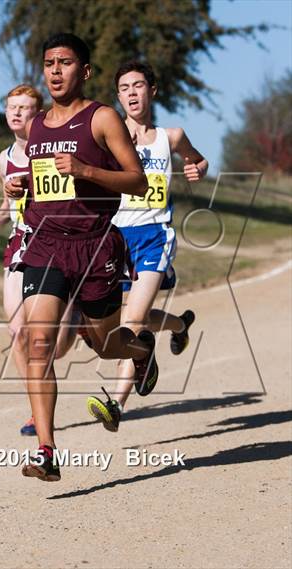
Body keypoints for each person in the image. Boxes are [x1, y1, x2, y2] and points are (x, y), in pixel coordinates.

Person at [4, 34, 159, 482]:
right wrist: (18, 188)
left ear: (84, 71)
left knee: (105, 344)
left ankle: (142, 349)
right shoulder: (36, 127)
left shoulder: (102, 118)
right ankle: (47, 451)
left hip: (95, 246)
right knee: (38, 344)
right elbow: (47, 185)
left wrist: (88, 170)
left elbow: (137, 181)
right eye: (49, 63)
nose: (55, 71)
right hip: (48, 245)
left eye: (65, 63)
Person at [86, 61, 208, 432]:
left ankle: (116, 405)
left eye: (139, 85)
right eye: (124, 88)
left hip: (155, 235)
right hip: (117, 239)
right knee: (125, 321)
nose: (132, 93)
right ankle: (178, 326)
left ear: (152, 91)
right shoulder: (108, 137)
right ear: (118, 96)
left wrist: (197, 169)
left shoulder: (169, 137)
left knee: (133, 320)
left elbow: (197, 160)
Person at [0, 84, 79, 437]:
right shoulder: (4, 159)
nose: (16, 113)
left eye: (23, 108)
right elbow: (8, 208)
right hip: (20, 245)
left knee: (58, 345)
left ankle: (75, 313)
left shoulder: (51, 151)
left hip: (56, 245)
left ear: (38, 114)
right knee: (19, 333)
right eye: (10, 107)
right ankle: (36, 410)